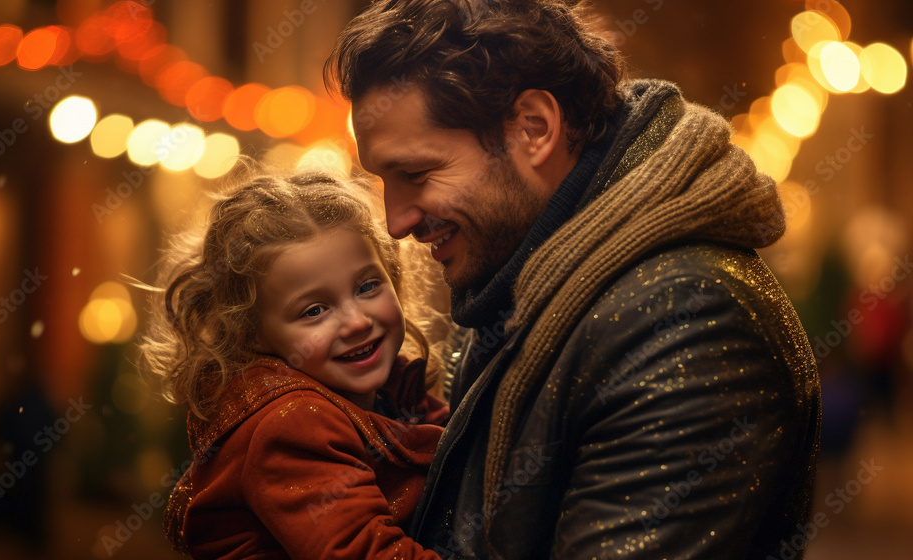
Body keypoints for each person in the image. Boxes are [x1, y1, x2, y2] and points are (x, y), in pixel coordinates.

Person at [325, 1, 822, 558]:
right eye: (384, 182)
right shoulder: (515, 283)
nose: (396, 223)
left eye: (416, 174)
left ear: (533, 128)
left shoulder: (686, 322)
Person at [140, 168, 449, 559]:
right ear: (251, 333)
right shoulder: (292, 424)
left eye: (367, 286)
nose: (356, 322)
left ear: (392, 273)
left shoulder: (393, 391)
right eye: (315, 310)